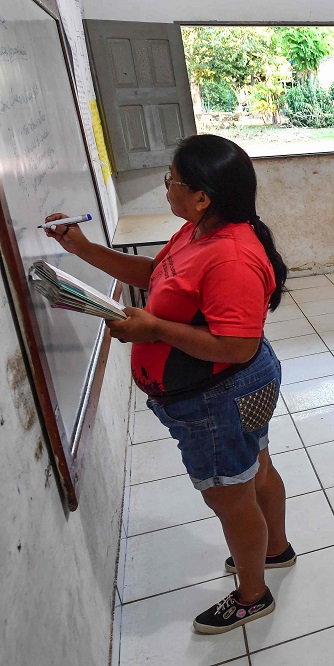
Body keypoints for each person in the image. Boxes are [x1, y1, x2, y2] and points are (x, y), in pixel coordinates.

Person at [44, 134, 291, 634]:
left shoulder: (231, 257)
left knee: (229, 494)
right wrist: (84, 248)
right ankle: (274, 551)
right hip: (230, 392)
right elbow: (156, 275)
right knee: (255, 467)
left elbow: (236, 346)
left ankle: (252, 594)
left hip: (221, 396)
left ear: (202, 195)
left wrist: (153, 330)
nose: (166, 189)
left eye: (171, 181)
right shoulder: (197, 233)